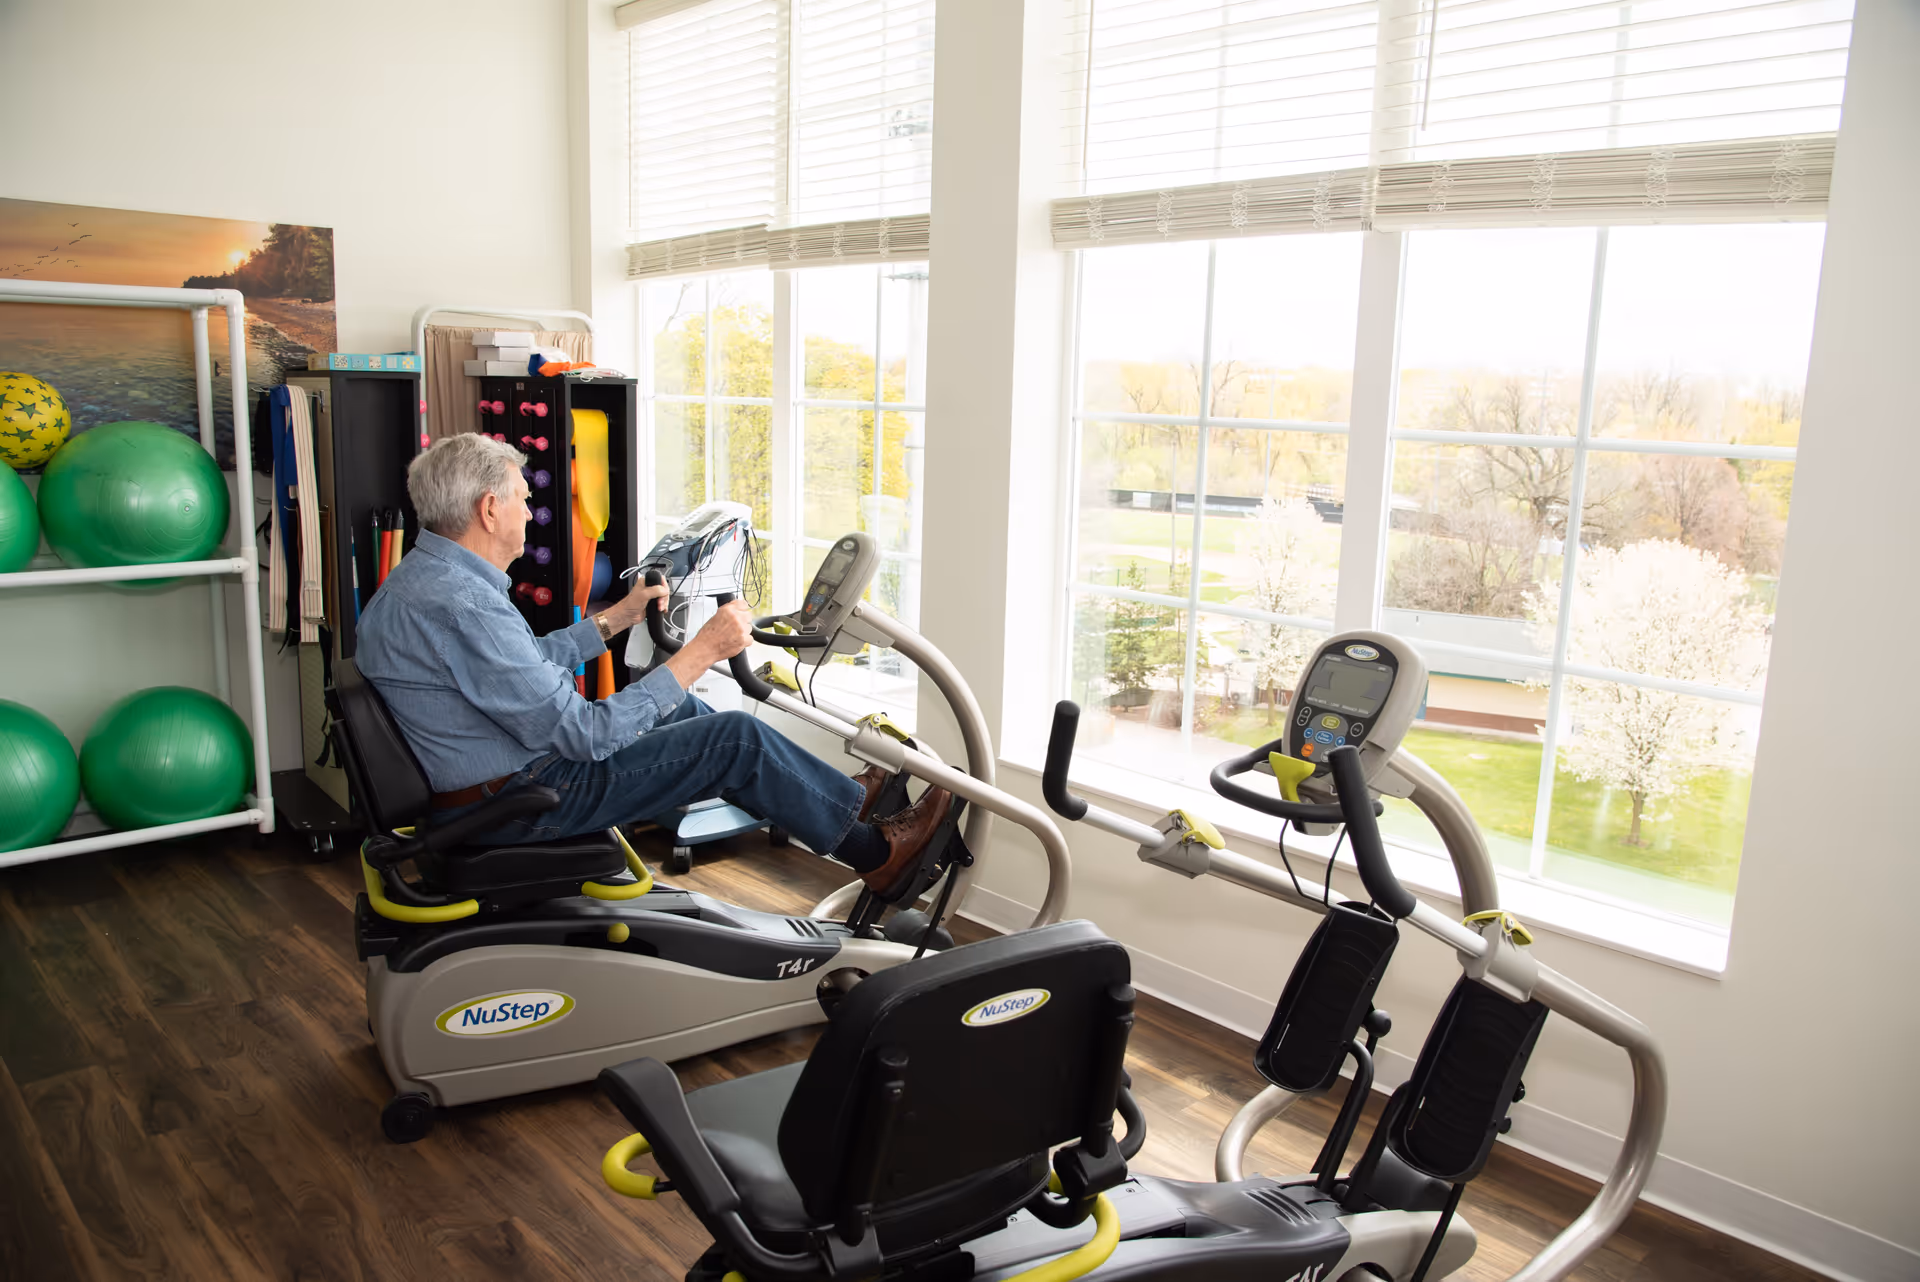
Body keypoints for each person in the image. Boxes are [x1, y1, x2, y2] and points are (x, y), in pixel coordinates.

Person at [355, 432, 951, 900]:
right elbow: (584, 735)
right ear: (490, 509)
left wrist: (617, 618)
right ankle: (879, 858)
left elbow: (522, 665)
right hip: (518, 802)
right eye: (523, 499)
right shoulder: (467, 605)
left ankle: (836, 801)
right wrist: (703, 651)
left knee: (684, 710)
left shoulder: (421, 582)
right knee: (734, 739)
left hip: (490, 782)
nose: (530, 514)